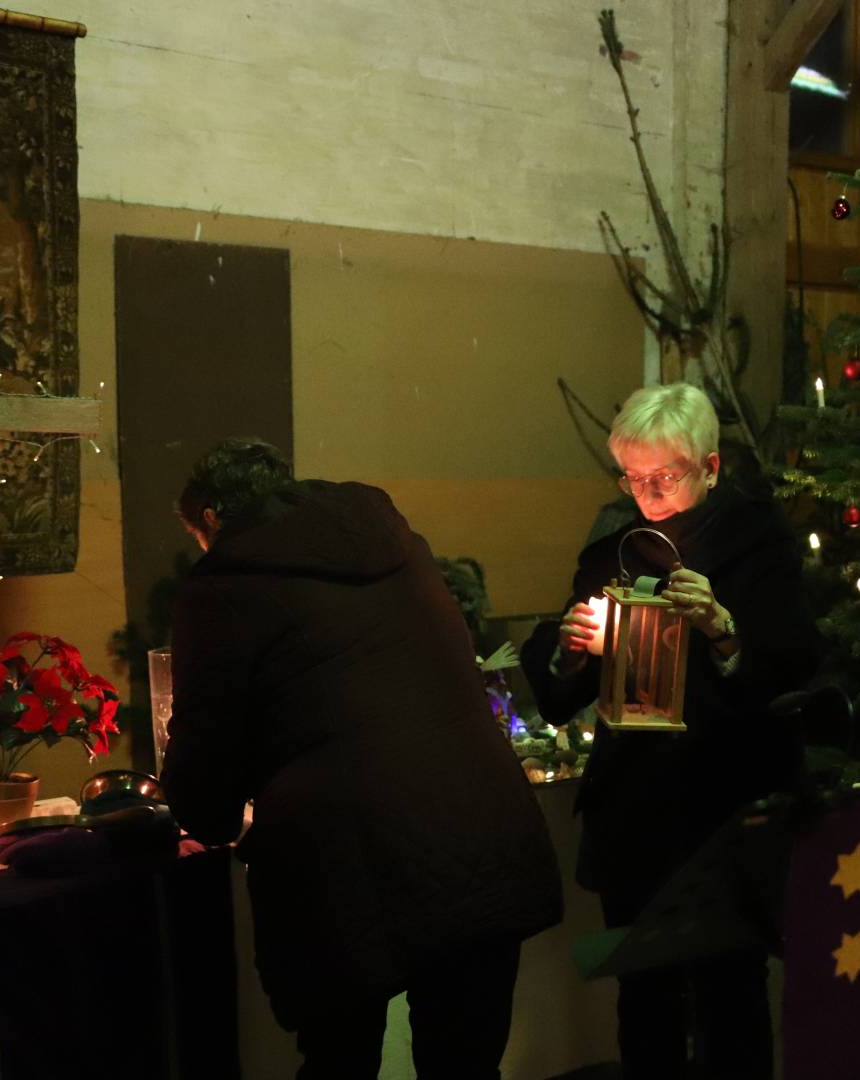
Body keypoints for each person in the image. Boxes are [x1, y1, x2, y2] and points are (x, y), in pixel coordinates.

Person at [162, 438, 562, 1080]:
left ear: (210, 520)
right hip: (483, 836)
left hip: (349, 869)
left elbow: (204, 777)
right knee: (466, 1065)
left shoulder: (223, 588)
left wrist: (206, 813)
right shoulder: (396, 544)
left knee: (339, 1062)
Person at [520, 383, 817, 1080]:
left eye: (665, 477)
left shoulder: (758, 539)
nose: (646, 494)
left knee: (729, 994)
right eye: (633, 477)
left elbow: (793, 662)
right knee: (644, 994)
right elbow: (565, 684)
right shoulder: (615, 542)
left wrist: (723, 632)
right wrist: (570, 650)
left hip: (723, 807)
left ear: (710, 468)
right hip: (636, 815)